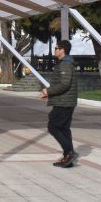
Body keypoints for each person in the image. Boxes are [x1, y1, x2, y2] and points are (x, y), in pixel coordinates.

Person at [40, 40, 78, 168]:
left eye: (56, 48)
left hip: (64, 102)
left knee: (53, 127)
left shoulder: (65, 65)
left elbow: (64, 84)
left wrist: (48, 91)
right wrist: (49, 94)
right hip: (65, 101)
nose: (55, 50)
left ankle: (70, 153)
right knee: (64, 129)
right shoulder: (65, 63)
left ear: (63, 50)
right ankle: (68, 158)